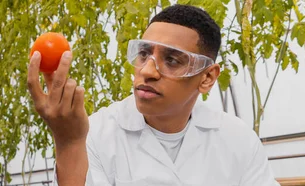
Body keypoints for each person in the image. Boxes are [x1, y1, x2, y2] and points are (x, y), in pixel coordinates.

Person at [27, 4, 279, 186]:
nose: (147, 71)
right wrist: (69, 143)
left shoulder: (238, 140)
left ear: (207, 77)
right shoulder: (97, 133)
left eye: (171, 60)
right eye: (144, 54)